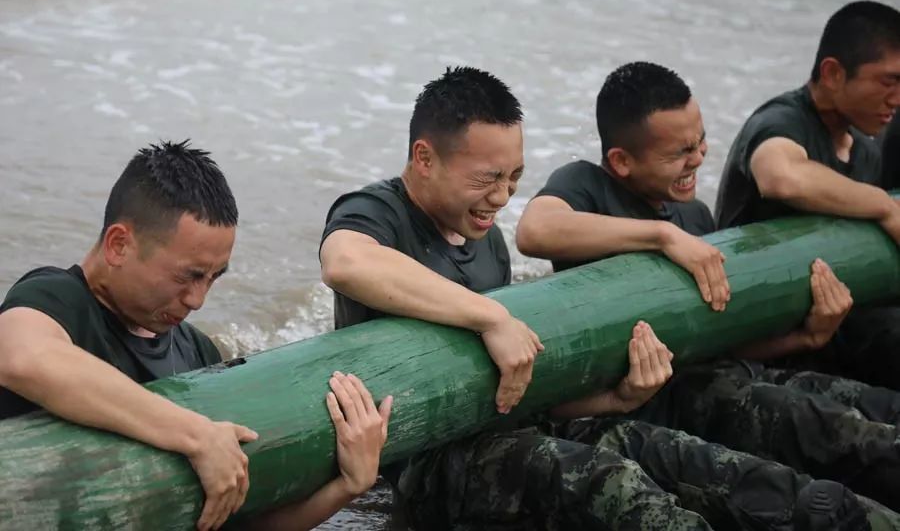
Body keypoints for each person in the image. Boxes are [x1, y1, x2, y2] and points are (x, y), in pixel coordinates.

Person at [320, 66, 896, 530]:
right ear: (425, 158)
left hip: (516, 426)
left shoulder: (486, 237)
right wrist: (491, 315)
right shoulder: (379, 211)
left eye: (515, 176)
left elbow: (512, 384)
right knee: (614, 489)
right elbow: (345, 261)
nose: (501, 196)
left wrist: (615, 398)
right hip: (431, 456)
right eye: (486, 178)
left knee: (688, 462)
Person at [517, 61, 900, 518]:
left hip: (712, 374)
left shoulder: (694, 217)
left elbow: (723, 333)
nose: (699, 158)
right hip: (636, 409)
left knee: (867, 426)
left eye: (700, 142)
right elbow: (536, 230)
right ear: (621, 161)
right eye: (679, 152)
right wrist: (660, 237)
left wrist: (806, 337)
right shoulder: (587, 187)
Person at [0, 141, 392, 531]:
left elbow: (240, 520)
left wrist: (347, 486)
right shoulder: (57, 299)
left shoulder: (196, 351)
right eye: (188, 275)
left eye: (213, 278)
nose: (198, 299)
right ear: (119, 245)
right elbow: (22, 357)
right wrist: (197, 435)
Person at [714, 0, 900, 392]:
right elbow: (781, 177)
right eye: (889, 82)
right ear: (833, 73)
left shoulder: (866, 148)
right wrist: (884, 206)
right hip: (754, 347)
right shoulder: (781, 120)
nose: (896, 98)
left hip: (836, 328)